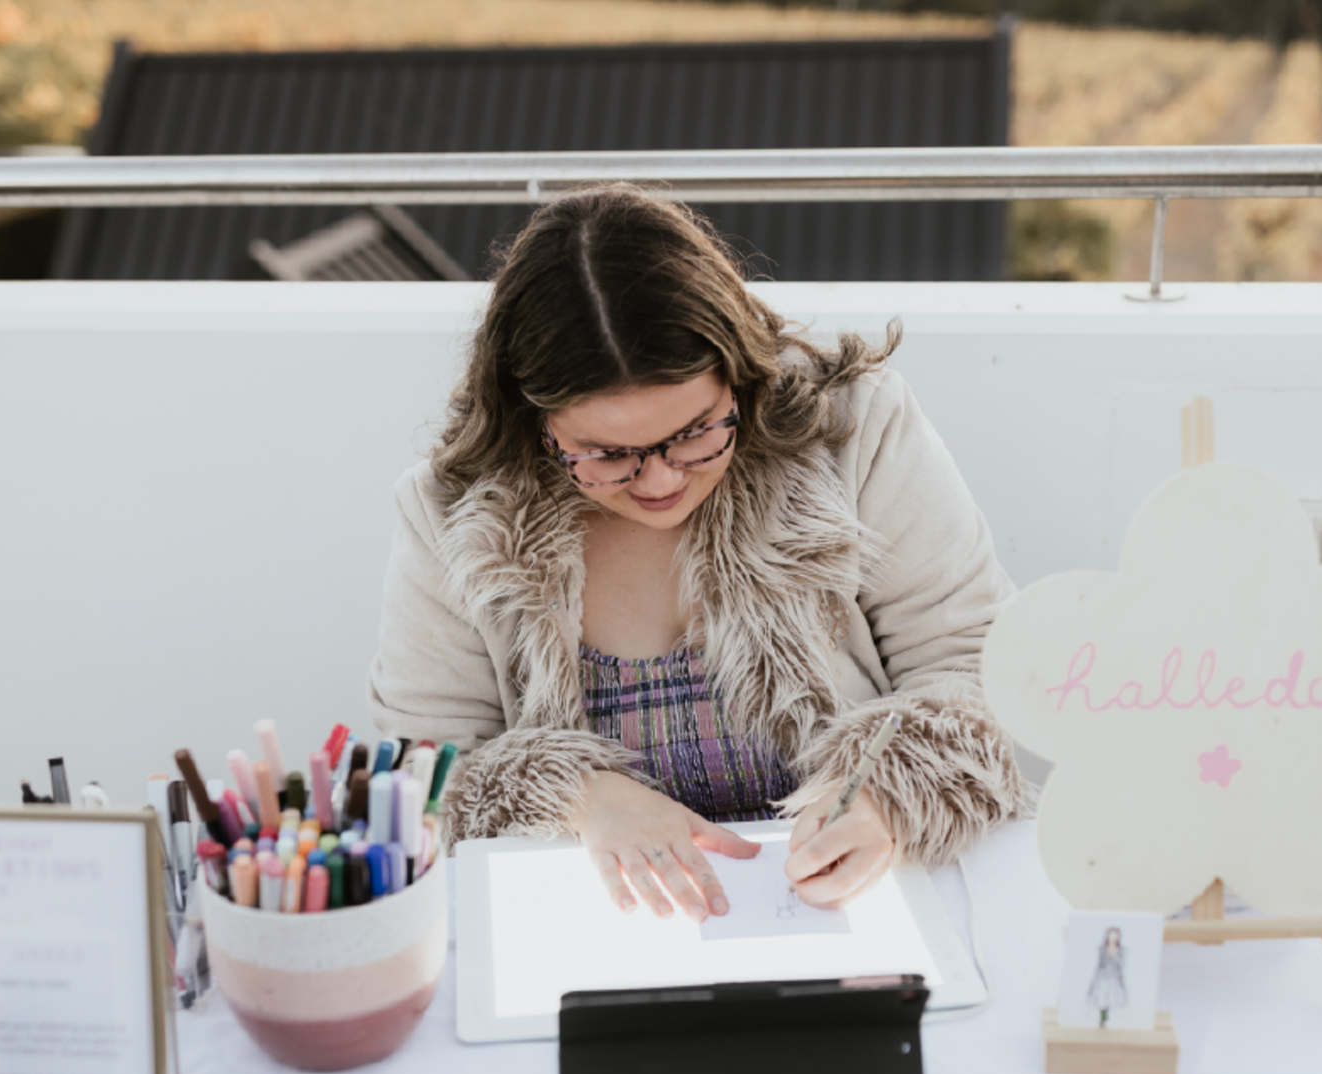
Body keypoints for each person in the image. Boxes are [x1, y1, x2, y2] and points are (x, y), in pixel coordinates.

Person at [369, 185, 1027, 919]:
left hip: (858, 906)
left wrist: (888, 795)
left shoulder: (855, 430)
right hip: (602, 925)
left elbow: (981, 663)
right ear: (534, 421)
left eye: (694, 433)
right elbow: (421, 772)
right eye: (605, 454)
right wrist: (581, 797)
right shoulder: (450, 514)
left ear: (740, 375)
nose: (659, 481)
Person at [1086, 927, 1129, 1028]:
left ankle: (1109, 1022)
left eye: (1115, 935)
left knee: (1113, 1001)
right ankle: (1103, 1020)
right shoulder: (1101, 949)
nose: (1113, 937)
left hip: (1114, 979)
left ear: (1118, 937)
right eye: (1111, 934)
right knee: (1102, 1001)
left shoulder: (1122, 951)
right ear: (1107, 936)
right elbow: (1098, 966)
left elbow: (1121, 967)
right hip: (1102, 978)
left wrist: (1122, 983)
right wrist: (1093, 983)